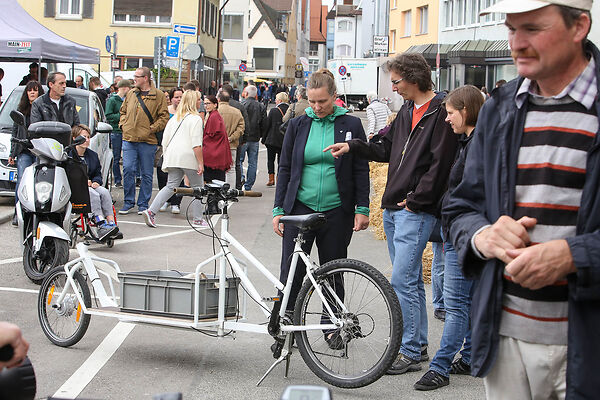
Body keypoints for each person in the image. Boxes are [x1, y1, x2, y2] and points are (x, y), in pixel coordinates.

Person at [443, 1, 598, 398]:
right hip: (504, 340)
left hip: (587, 345)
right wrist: (482, 237)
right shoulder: (499, 108)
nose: (517, 43)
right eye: (511, 29)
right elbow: (459, 206)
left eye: (532, 28)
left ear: (580, 26)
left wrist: (574, 256)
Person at [325, 53, 458, 374]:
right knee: (408, 281)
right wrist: (354, 146)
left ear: (414, 78)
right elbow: (384, 148)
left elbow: (440, 166)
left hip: (414, 209)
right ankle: (417, 347)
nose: (394, 87)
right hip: (394, 206)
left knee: (402, 280)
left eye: (396, 81)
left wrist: (415, 200)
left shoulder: (439, 112)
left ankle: (411, 350)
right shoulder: (407, 112)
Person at [273, 71, 370, 345]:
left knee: (333, 269)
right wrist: (278, 209)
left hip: (337, 210)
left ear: (334, 97)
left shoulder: (351, 123)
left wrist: (362, 207)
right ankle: (284, 326)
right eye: (312, 102)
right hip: (299, 209)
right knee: (291, 270)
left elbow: (361, 168)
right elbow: (286, 168)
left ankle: (331, 326)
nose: (316, 107)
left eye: (323, 102)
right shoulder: (298, 125)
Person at [413, 85, 484, 391]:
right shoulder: (469, 142)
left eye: (451, 113)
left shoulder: (477, 147)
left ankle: (440, 367)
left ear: (465, 111)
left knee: (455, 305)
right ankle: (467, 356)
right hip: (462, 232)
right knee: (466, 301)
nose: (446, 119)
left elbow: (470, 194)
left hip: (461, 234)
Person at [142, 90, 207, 228]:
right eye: (199, 99)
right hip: (188, 157)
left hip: (172, 156)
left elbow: (165, 141)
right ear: (193, 102)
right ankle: (198, 218)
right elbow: (196, 144)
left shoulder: (174, 118)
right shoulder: (195, 119)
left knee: (170, 186)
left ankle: (151, 211)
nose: (200, 102)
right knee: (198, 188)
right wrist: (200, 163)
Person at [118, 67, 169, 215]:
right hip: (129, 138)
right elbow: (123, 111)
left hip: (148, 140)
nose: (134, 79)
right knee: (127, 170)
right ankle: (128, 202)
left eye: (137, 77)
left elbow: (164, 117)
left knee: (146, 173)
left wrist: (151, 129)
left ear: (146, 78)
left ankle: (143, 204)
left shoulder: (158, 95)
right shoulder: (132, 93)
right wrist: (123, 125)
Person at [71, 124, 119, 241]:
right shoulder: (69, 155)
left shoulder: (92, 155)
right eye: (83, 137)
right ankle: (99, 222)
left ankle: (111, 223)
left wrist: (96, 181)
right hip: (76, 188)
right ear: (75, 138)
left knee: (104, 192)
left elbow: (97, 173)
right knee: (94, 194)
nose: (87, 140)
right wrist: (83, 181)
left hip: (91, 185)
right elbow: (69, 174)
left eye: (88, 137)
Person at [8, 81, 45, 226]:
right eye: (29, 90)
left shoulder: (43, 109)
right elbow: (15, 131)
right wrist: (12, 153)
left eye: (35, 90)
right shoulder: (21, 110)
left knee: (39, 182)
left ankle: (36, 213)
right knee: (22, 180)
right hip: (24, 151)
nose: (32, 93)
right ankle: (18, 213)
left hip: (39, 150)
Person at [158, 87, 186, 214]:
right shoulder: (166, 111)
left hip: (180, 148)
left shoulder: (187, 113)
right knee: (162, 172)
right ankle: (165, 200)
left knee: (178, 175)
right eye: (176, 97)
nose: (179, 99)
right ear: (171, 98)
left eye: (181, 97)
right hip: (166, 147)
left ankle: (176, 202)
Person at [105, 78, 132, 188]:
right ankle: (117, 180)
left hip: (126, 131)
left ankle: (128, 180)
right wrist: (122, 116)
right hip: (116, 131)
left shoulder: (128, 99)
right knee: (116, 157)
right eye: (129, 88)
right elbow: (108, 115)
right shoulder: (113, 100)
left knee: (127, 158)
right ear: (124, 88)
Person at [240, 85, 266, 190]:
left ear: (246, 94)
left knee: (239, 160)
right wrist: (261, 134)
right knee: (253, 162)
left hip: (243, 138)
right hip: (255, 137)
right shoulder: (261, 106)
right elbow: (264, 123)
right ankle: (249, 185)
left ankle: (241, 178)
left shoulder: (242, 105)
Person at [216, 90, 245, 187]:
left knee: (217, 168)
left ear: (219, 99)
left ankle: (217, 189)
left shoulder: (215, 112)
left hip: (217, 144)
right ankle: (230, 190)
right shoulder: (236, 112)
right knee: (231, 168)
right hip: (232, 144)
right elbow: (241, 127)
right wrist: (232, 137)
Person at [202, 94, 232, 184]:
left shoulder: (214, 116)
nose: (206, 106)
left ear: (215, 104)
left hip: (214, 157)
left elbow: (211, 137)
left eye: (208, 103)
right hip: (217, 155)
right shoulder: (213, 115)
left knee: (214, 183)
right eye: (205, 103)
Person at [262, 92, 289, 186]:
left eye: (276, 99)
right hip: (284, 140)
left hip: (272, 140)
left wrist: (263, 139)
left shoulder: (274, 111)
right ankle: (279, 179)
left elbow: (267, 126)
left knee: (270, 160)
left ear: (280, 100)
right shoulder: (290, 110)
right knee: (281, 161)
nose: (275, 101)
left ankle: (271, 179)